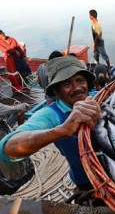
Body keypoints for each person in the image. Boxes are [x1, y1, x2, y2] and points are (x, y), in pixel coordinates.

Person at [0, 55, 101, 191]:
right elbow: (9, 148)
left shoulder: (100, 98)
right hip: (87, 181)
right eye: (66, 84)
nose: (76, 87)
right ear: (57, 91)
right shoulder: (51, 114)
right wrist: (62, 130)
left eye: (80, 80)